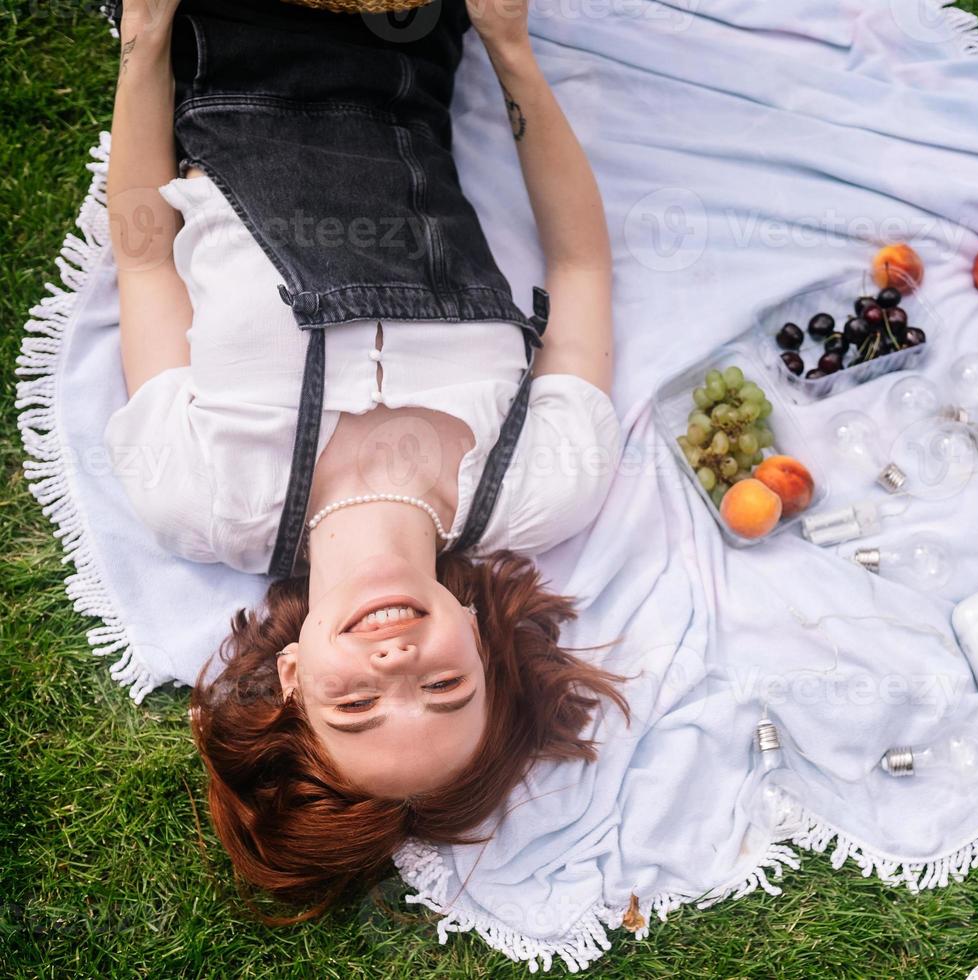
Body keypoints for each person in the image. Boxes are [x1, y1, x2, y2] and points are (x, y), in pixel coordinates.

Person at [104, 0, 625, 917]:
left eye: (358, 707)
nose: (394, 659)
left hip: (230, 45)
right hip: (408, 41)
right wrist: (510, 46)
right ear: (479, 642)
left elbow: (145, 265)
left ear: (295, 681)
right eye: (441, 685)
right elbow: (581, 268)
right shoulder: (544, 487)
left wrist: (145, 43)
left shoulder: (199, 498)